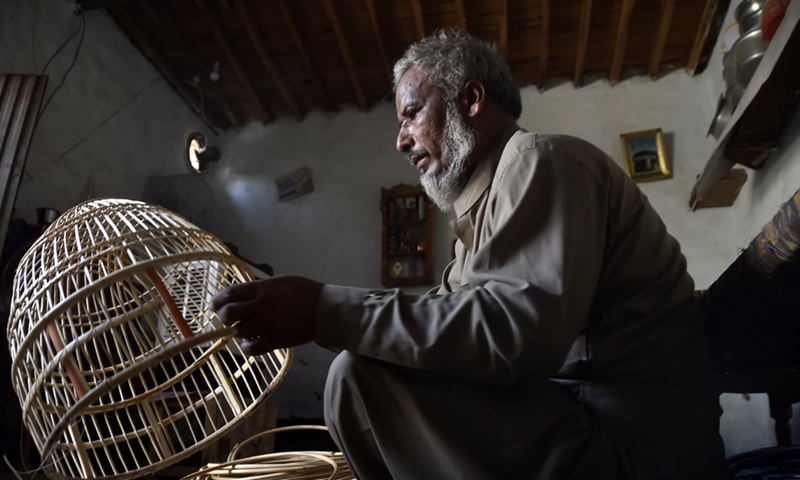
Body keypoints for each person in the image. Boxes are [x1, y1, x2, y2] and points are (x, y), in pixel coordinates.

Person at [211, 29, 726, 479]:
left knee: (360, 379)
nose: (401, 140)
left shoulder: (541, 162)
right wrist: (318, 310)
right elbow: (444, 331)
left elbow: (512, 336)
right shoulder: (477, 221)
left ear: (472, 99)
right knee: (361, 369)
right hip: (579, 423)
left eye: (412, 113)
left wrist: (323, 308)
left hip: (633, 449)